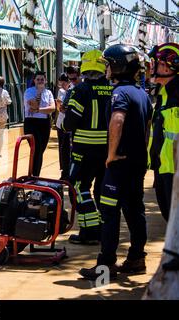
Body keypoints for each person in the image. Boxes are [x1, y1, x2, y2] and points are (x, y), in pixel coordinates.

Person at [79, 44, 152, 280]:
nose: (106, 68)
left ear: (118, 66)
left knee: (109, 213)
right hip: (138, 164)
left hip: (119, 165)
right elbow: (147, 127)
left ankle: (106, 265)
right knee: (134, 210)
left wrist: (110, 155)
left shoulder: (119, 93)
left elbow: (117, 120)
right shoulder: (142, 94)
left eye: (109, 63)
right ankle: (136, 258)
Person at [61, 50, 113, 245]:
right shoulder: (111, 89)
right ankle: (102, 230)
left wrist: (65, 124)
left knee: (77, 186)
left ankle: (90, 231)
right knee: (101, 190)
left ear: (84, 67)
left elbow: (70, 122)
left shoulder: (80, 90)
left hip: (84, 149)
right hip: (108, 150)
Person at [147, 42, 179, 221]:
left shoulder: (176, 95)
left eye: (156, 63)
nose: (152, 68)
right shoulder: (164, 94)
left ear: (169, 67)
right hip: (165, 168)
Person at [23, 71, 55, 176]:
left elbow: (52, 108)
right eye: (38, 79)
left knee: (41, 150)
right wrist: (39, 93)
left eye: (42, 79)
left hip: (44, 123)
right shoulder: (29, 91)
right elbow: (33, 105)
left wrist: (39, 110)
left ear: (45, 80)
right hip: (31, 123)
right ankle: (34, 175)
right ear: (34, 80)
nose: (40, 81)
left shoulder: (49, 92)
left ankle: (35, 174)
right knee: (36, 149)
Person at [55, 73, 70, 180]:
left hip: (69, 123)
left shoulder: (72, 89)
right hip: (62, 123)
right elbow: (60, 108)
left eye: (63, 81)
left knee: (67, 148)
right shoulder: (61, 92)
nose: (61, 84)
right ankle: (64, 170)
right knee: (63, 147)